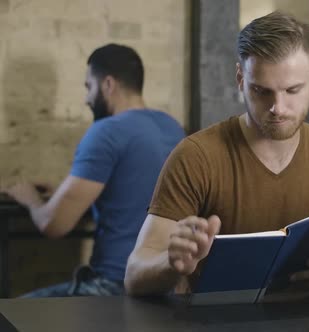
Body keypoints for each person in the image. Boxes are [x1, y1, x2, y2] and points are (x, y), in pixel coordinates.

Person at [124, 11, 309, 296]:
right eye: (262, 91)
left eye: (292, 90)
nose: (278, 108)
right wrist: (171, 264)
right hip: (213, 322)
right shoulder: (196, 156)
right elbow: (135, 274)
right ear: (240, 79)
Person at [0, 44, 185, 297]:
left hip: (116, 286)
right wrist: (68, 193)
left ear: (108, 84)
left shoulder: (107, 131)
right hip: (166, 285)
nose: (87, 98)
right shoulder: (172, 128)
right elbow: (134, 194)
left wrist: (30, 199)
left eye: (89, 87)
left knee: (8, 314)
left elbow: (53, 225)